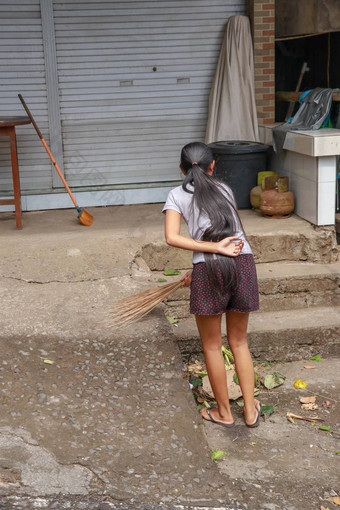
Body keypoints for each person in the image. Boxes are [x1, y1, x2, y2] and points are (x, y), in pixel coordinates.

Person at [162, 141, 261, 428]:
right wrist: (206, 258)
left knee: (212, 346)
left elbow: (172, 237)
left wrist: (208, 254)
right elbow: (228, 237)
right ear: (213, 165)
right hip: (243, 263)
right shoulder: (226, 190)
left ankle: (224, 414)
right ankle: (251, 412)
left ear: (181, 169)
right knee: (240, 342)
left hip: (211, 266)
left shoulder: (176, 194)